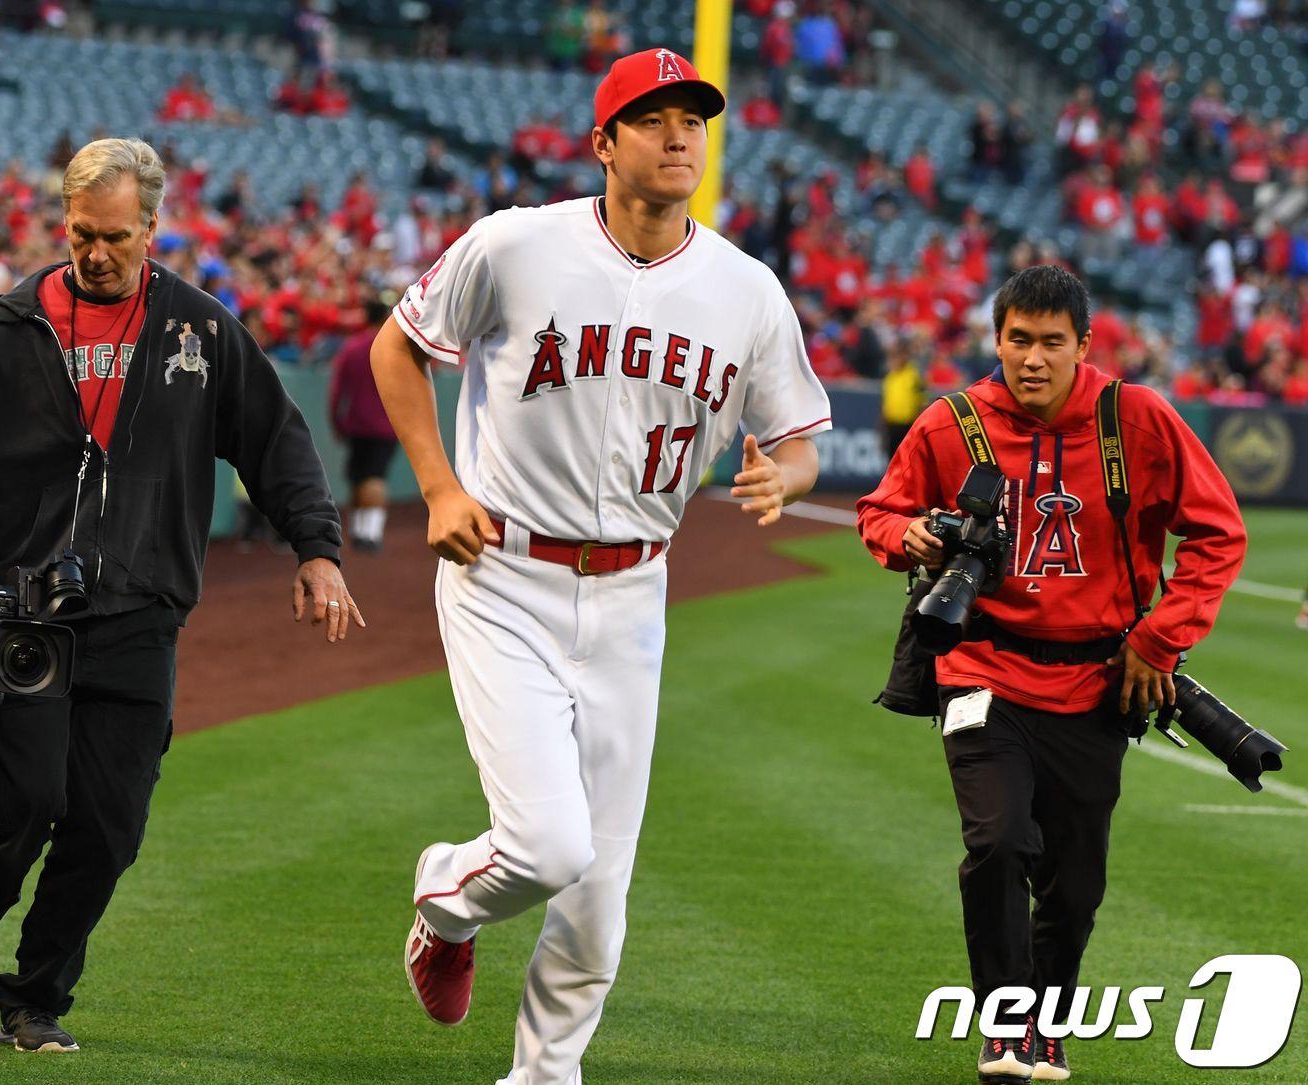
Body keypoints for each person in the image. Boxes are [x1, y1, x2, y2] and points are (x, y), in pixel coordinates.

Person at [371, 47, 831, 1085]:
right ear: (603, 143)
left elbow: (797, 436)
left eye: (693, 119)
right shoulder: (515, 246)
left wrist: (787, 480)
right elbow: (395, 348)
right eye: (654, 117)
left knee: (598, 891)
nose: (679, 135)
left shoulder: (745, 290)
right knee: (544, 846)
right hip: (505, 574)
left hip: (633, 592)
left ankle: (544, 1073)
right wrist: (441, 487)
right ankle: (445, 894)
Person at [0, 138, 362, 1055]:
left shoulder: (199, 329)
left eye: (115, 235)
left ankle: (34, 996)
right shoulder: (10, 324)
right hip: (20, 612)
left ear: (152, 228)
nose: (96, 252)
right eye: (81, 233)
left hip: (139, 614)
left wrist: (317, 549)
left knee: (109, 827)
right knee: (24, 796)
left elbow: (276, 440)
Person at [856, 265, 1246, 1084]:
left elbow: (1217, 532)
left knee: (1074, 886)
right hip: (980, 667)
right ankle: (1004, 1028)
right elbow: (880, 512)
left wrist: (1160, 640)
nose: (1032, 359)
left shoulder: (1135, 418)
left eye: (1051, 343)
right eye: (1018, 340)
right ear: (996, 339)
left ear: (1083, 345)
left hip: (1098, 682)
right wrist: (915, 536)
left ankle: (1046, 1019)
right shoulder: (951, 421)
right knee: (998, 840)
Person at [330, 296, 399, 552]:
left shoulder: (351, 347)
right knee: (376, 476)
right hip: (386, 425)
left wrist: (337, 421)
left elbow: (337, 391)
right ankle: (371, 533)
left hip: (356, 424)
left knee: (358, 477)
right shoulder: (392, 346)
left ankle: (359, 530)